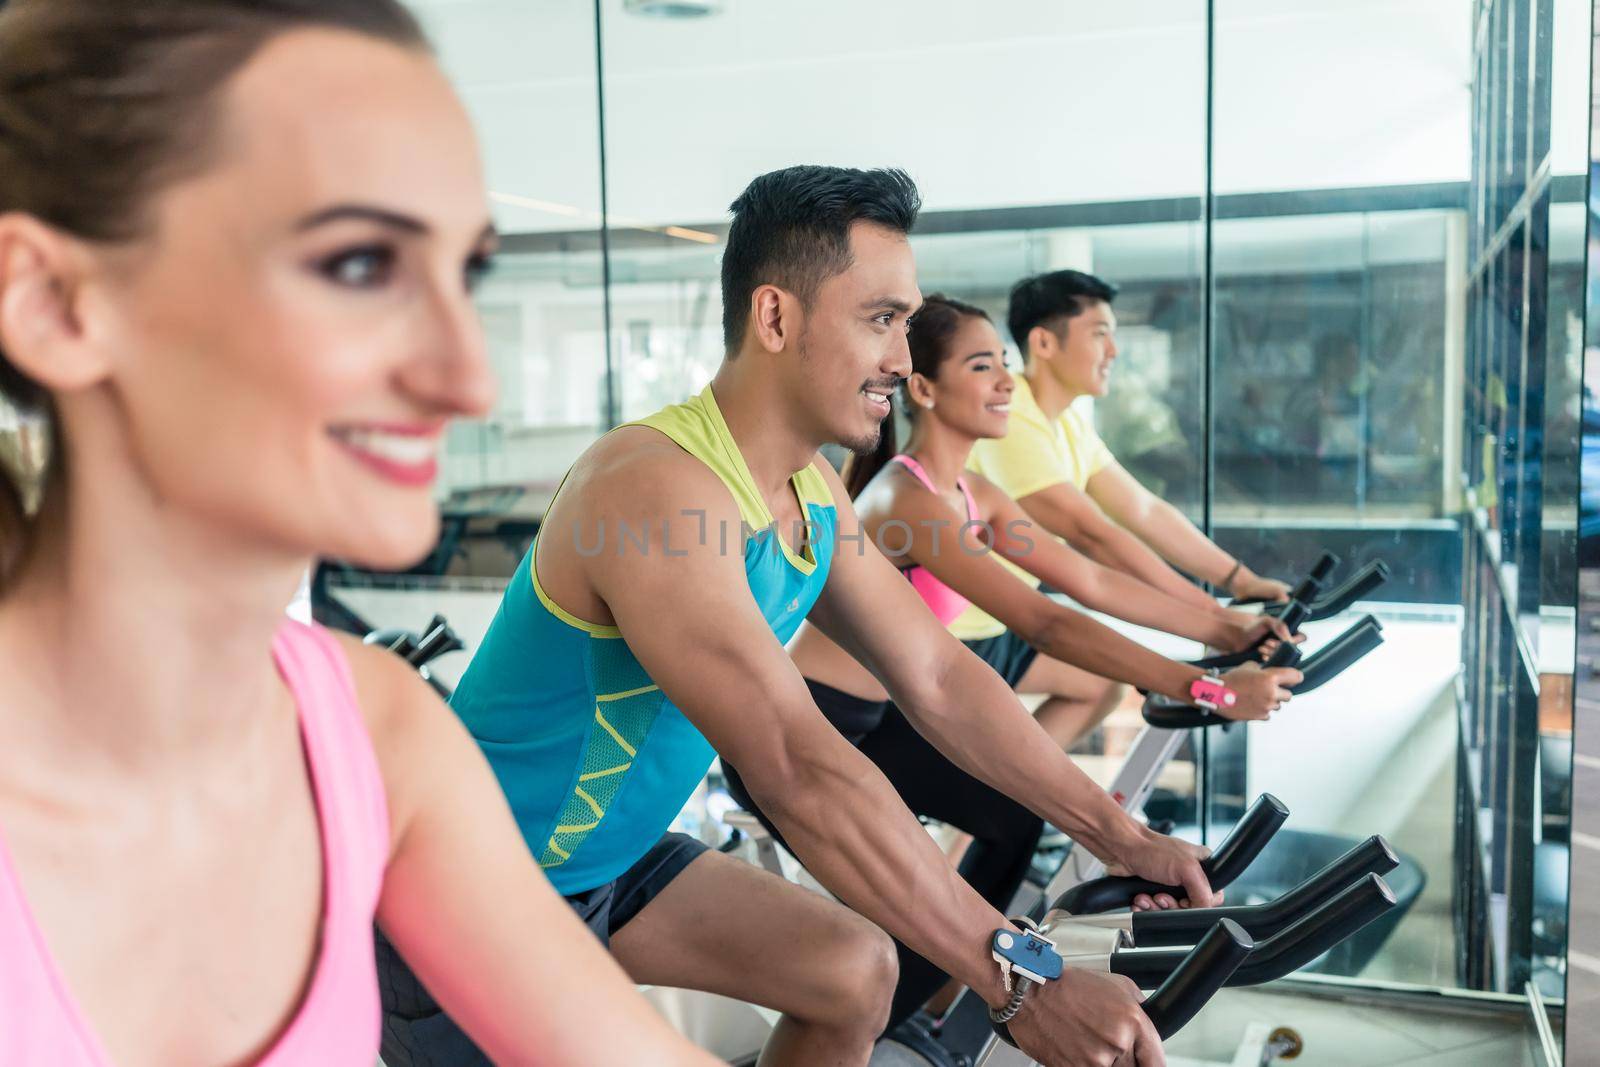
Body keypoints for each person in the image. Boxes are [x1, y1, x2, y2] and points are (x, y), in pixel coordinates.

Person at [380, 163, 1230, 1067]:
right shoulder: (653, 488)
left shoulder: (810, 487)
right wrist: (1021, 980)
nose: (903, 361)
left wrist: (1122, 836)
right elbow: (792, 761)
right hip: (468, 891)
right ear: (777, 317)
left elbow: (938, 675)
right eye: (880, 320)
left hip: (608, 866)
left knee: (854, 969)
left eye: (905, 324)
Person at [0, 2, 716, 1064]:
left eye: (464, 273)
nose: (466, 377)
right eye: (358, 266)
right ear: (56, 304)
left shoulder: (374, 733)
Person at [726, 294, 1300, 1024]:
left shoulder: (976, 493)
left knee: (1009, 820)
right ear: (924, 389)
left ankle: (924, 1009)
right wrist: (1212, 687)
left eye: (1004, 363)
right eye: (981, 365)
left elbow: (1087, 580)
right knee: (949, 869)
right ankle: (885, 1021)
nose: (1006, 381)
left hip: (877, 719)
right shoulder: (909, 499)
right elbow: (1045, 621)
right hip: (820, 724)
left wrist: (1231, 628)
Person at [959, 271, 1291, 673]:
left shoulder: (1067, 423)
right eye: (1100, 334)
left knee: (1098, 688)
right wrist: (1218, 620)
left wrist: (1240, 581)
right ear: (1043, 342)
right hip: (955, 629)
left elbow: (1143, 511)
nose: (1114, 351)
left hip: (994, 623)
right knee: (1094, 679)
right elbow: (1092, 536)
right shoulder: (1010, 414)